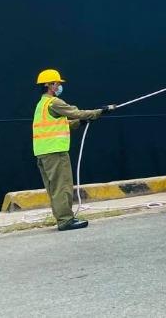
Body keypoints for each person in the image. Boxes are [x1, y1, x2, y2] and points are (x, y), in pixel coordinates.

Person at [32, 69, 115, 230]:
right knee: (63, 186)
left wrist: (79, 123)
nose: (59, 86)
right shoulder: (54, 102)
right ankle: (65, 220)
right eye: (57, 83)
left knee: (54, 188)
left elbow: (61, 125)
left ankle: (62, 218)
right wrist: (101, 111)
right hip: (55, 152)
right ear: (49, 85)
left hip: (43, 153)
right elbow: (77, 112)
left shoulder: (41, 105)